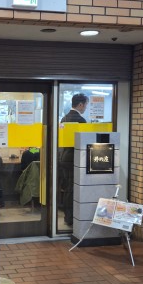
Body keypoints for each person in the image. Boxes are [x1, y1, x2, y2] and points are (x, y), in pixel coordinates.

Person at [58, 93, 88, 226]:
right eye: (85, 105)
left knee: (67, 188)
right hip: (74, 159)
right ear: (80, 104)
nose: (85, 108)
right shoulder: (81, 121)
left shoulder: (64, 119)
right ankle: (71, 218)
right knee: (72, 188)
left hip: (64, 157)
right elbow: (84, 142)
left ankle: (68, 216)